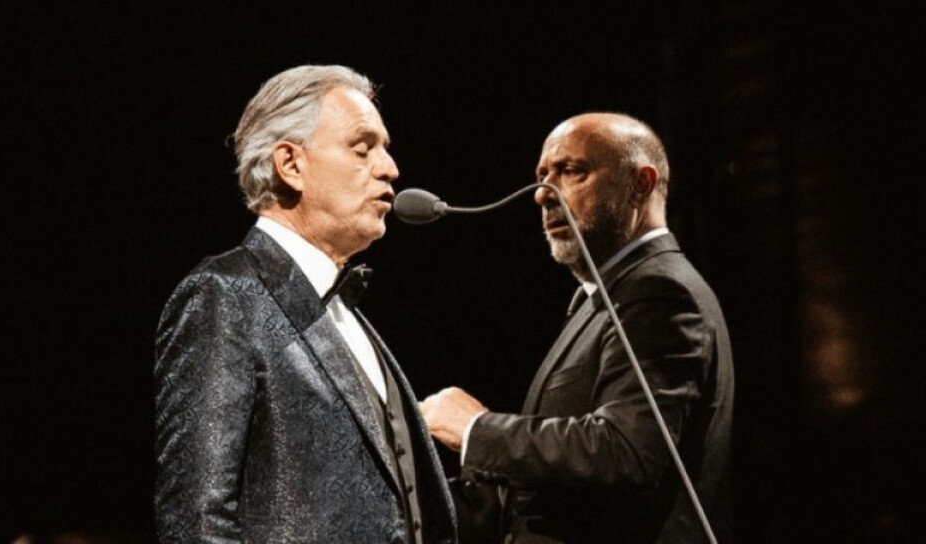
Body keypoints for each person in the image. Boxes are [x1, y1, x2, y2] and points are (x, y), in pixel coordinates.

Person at [154, 65, 457, 544]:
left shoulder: (348, 314)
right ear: (291, 164)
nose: (390, 168)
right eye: (362, 148)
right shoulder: (225, 295)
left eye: (385, 148)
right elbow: (196, 521)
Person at [420, 113, 734, 543]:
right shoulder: (601, 298)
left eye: (571, 171)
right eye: (542, 176)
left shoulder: (661, 292)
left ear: (640, 184)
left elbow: (626, 451)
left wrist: (477, 430)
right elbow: (557, 493)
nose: (543, 194)